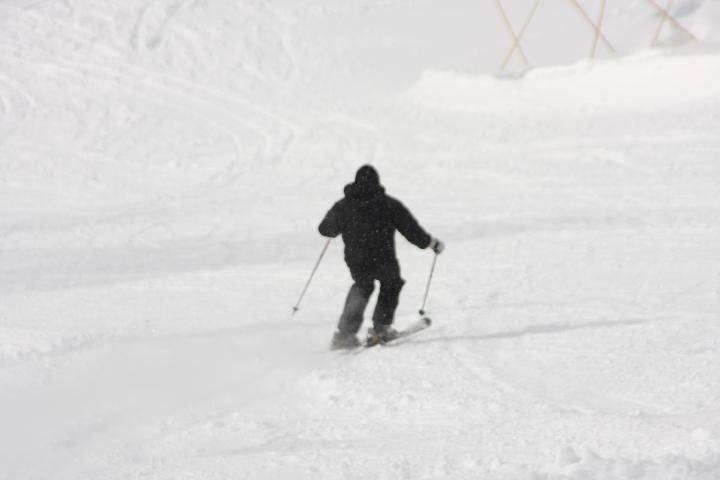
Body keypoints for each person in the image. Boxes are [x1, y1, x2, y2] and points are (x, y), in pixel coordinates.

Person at [318, 165, 444, 350]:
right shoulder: (387, 204)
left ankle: (344, 335)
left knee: (362, 286)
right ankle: (381, 329)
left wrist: (336, 225)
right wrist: (431, 243)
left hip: (356, 259)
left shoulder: (344, 205)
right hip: (382, 257)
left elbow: (324, 229)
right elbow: (411, 230)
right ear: (376, 182)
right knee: (391, 284)